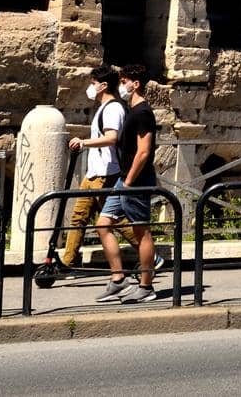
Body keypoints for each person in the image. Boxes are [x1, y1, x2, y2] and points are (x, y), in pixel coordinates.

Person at [96, 62, 159, 304]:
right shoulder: (132, 110)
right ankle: (118, 278)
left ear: (136, 84)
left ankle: (146, 286)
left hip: (135, 180)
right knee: (103, 224)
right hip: (125, 178)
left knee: (141, 231)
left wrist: (130, 181)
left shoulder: (143, 112)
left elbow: (143, 151)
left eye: (124, 82)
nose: (121, 86)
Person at [62, 66, 127, 272]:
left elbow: (111, 137)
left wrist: (84, 142)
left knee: (113, 220)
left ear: (104, 85)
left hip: (106, 172)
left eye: (92, 83)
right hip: (94, 172)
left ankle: (150, 256)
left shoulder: (113, 108)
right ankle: (68, 262)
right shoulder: (102, 107)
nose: (90, 87)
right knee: (78, 216)